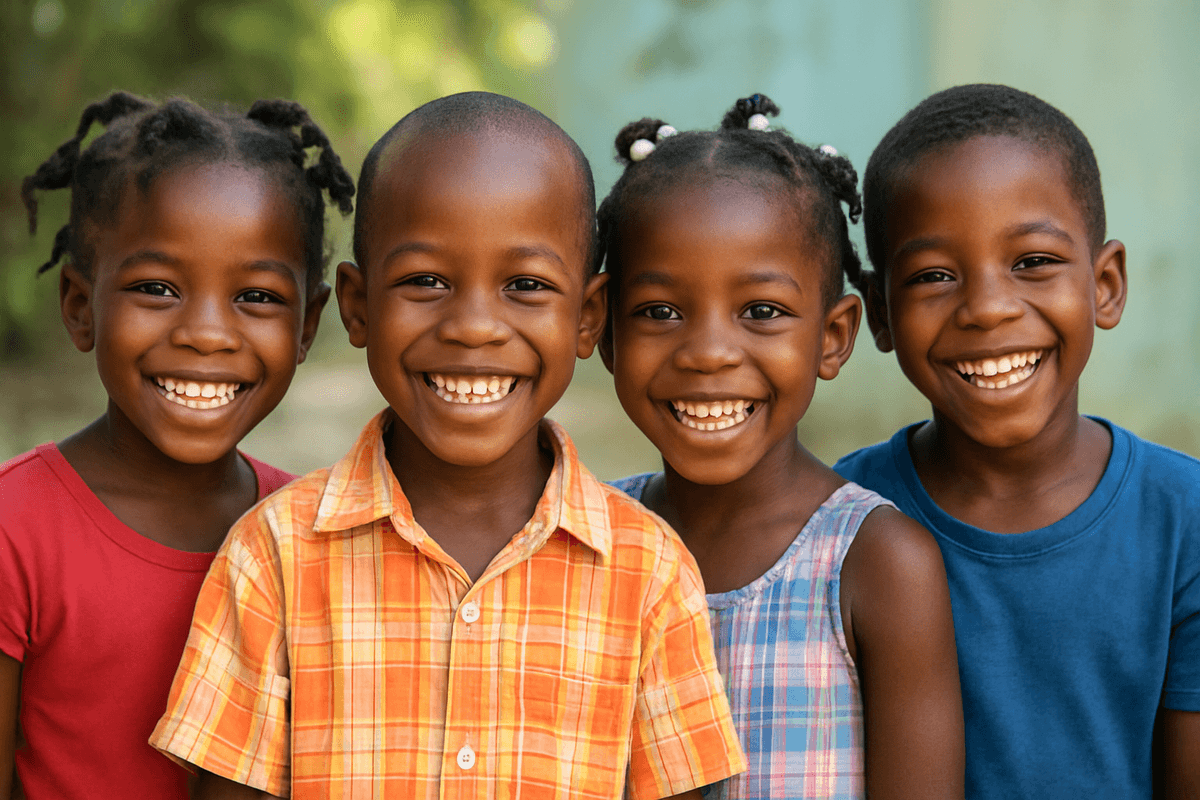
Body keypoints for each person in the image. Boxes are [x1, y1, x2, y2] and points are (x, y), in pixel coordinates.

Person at [150, 91, 747, 800]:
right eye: (426, 281)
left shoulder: (651, 574)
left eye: (525, 285)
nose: (473, 326)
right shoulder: (273, 556)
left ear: (587, 318)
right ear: (358, 307)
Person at [834, 83, 1200, 798]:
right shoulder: (839, 524)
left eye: (1032, 261)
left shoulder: (1184, 519)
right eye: (934, 275)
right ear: (880, 313)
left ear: (1106, 283)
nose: (989, 308)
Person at [599, 94, 964, 800]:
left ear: (832, 337)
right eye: (660, 312)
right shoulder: (592, 544)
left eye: (761, 312)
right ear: (605, 333)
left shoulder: (879, 565)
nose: (708, 352)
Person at [0, 91, 355, 799]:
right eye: (157, 288)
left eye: (256, 297)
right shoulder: (16, 528)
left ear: (308, 324)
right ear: (79, 306)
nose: (206, 334)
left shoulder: (311, 534)